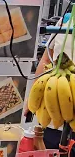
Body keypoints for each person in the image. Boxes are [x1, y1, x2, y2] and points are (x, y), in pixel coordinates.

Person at [24, 13, 75, 152]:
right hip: (55, 107)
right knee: (49, 148)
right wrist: (32, 97)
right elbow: (46, 59)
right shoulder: (64, 22)